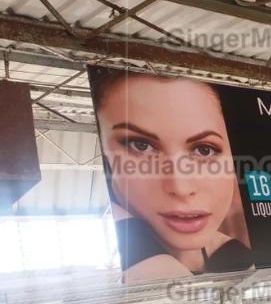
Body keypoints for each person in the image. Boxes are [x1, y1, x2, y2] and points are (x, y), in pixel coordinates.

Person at [90, 69, 253, 282]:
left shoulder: (237, 257)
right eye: (140, 145)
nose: (181, 187)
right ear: (103, 153)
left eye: (204, 149)